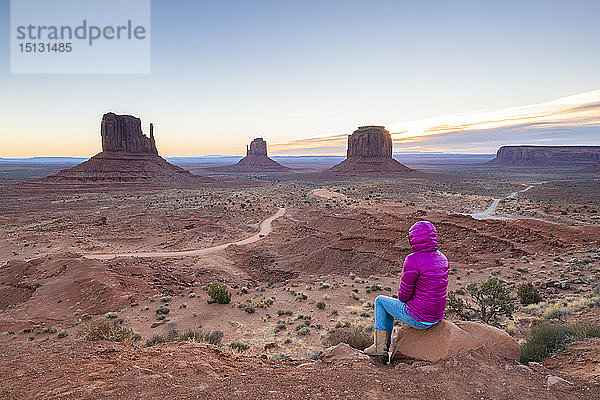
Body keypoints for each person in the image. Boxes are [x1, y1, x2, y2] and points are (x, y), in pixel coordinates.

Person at [364, 220, 449, 356]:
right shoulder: (443, 258)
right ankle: (384, 347)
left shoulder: (413, 259)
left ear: (413, 239)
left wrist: (408, 303)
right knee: (389, 307)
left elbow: (403, 296)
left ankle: (380, 347)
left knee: (380, 301)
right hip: (436, 316)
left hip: (419, 317)